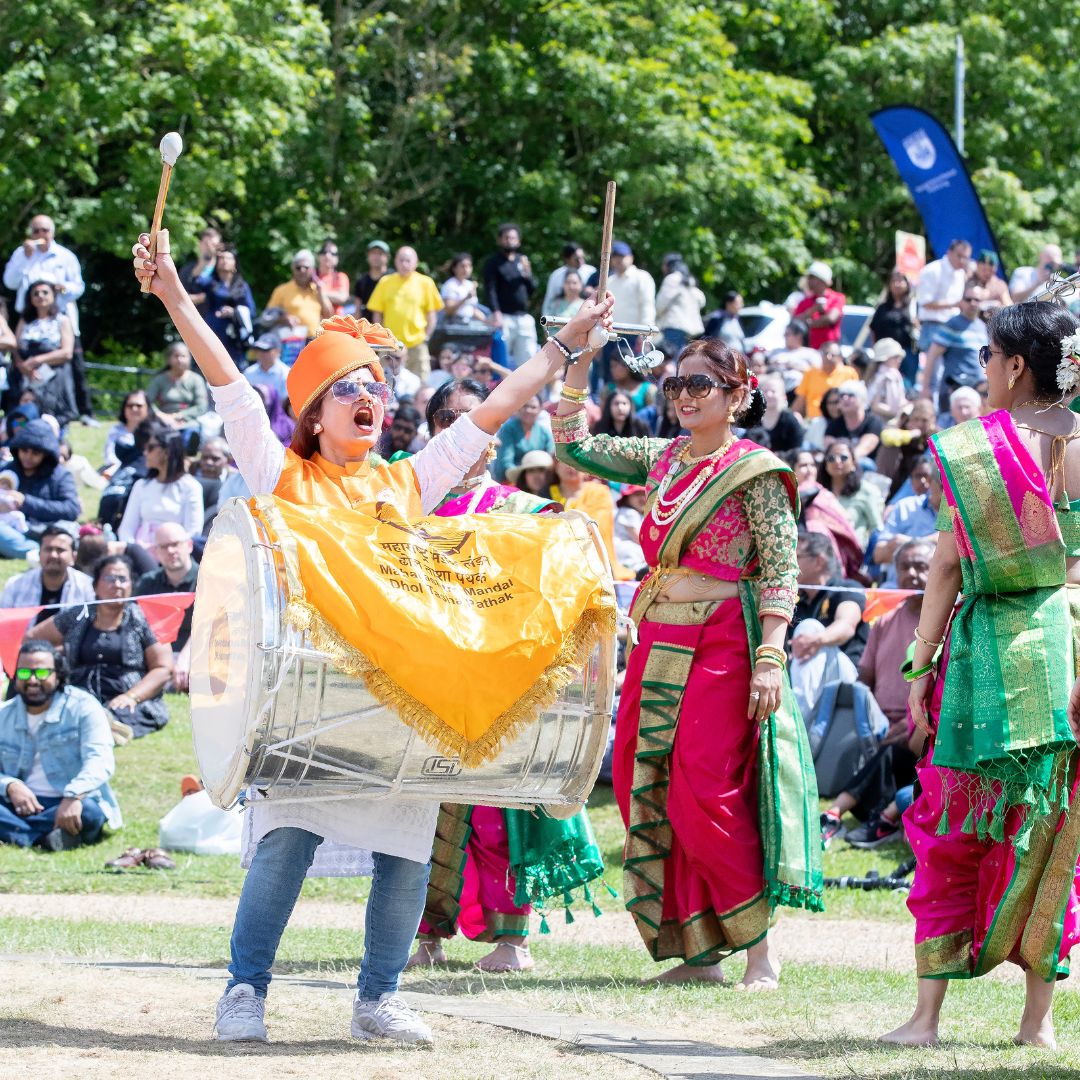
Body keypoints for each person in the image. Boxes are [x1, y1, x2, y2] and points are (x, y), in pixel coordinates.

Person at [132, 225, 614, 1045]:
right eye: (349, 391)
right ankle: (245, 992)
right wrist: (175, 293)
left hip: (399, 703)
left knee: (402, 856)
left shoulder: (404, 483)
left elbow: (494, 410)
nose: (369, 402)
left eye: (377, 391)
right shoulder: (281, 476)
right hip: (309, 702)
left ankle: (378, 999)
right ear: (315, 414)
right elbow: (229, 388)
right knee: (284, 851)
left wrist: (563, 346)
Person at [552, 336, 822, 988]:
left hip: (727, 642)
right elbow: (574, 446)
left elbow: (782, 569)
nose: (684, 396)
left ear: (738, 393)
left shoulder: (756, 472)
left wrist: (769, 658)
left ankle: (758, 950)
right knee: (641, 779)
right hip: (658, 642)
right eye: (677, 385)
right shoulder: (665, 457)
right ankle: (700, 951)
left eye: (701, 385)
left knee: (707, 786)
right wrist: (579, 358)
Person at [888, 302, 1080, 1049]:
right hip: (1065, 648)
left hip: (984, 654)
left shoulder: (970, 448)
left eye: (986, 355)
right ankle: (1038, 1027)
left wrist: (918, 667)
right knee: (1054, 832)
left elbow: (942, 568)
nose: (983, 368)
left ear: (1016, 366)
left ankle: (925, 1020)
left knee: (952, 829)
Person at [407, 378, 604, 972]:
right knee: (420, 815)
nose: (460, 429)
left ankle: (510, 940)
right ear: (433, 430)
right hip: (424, 683)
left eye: (475, 418)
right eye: (447, 417)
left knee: (501, 815)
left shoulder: (530, 516)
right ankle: (424, 937)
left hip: (504, 688)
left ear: (494, 438)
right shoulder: (406, 509)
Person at [819, 539, 932, 849]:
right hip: (878, 723)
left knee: (894, 753)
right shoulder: (884, 621)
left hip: (924, 726)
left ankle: (836, 813)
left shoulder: (945, 621)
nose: (912, 573)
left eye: (921, 566)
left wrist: (911, 723)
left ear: (936, 569)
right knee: (888, 752)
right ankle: (876, 817)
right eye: (904, 567)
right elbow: (864, 678)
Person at [35, 555, 173, 739]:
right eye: (109, 578)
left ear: (131, 585)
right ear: (95, 586)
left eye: (123, 579)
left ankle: (101, 728)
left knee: (121, 715)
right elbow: (33, 640)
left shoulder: (145, 618)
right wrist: (56, 658)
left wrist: (131, 696)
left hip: (127, 698)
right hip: (79, 693)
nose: (117, 584)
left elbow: (163, 668)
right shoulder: (79, 614)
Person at [0, 640, 118, 850]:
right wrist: (10, 785)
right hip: (19, 805)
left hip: (68, 800)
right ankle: (42, 838)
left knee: (89, 812)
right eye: (25, 673)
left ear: (58, 674)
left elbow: (100, 761)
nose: (33, 680)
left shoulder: (83, 707)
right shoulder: (4, 714)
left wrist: (73, 795)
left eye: (42, 673)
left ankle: (18, 835)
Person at [2, 214, 92, 421]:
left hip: (59, 320)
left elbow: (79, 287)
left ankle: (84, 412)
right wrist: (25, 258)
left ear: (52, 232)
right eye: (36, 231)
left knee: (75, 369)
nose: (40, 235)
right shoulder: (22, 254)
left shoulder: (65, 256)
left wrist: (63, 288)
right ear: (30, 233)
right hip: (30, 320)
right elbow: (10, 282)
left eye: (45, 230)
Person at [117, 423, 204, 548]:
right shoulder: (141, 486)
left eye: (150, 448)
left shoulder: (191, 487)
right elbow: (126, 529)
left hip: (174, 552)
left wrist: (165, 549)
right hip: (140, 551)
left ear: (167, 451)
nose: (145, 453)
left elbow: (193, 532)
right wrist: (133, 550)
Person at [368, 245, 444, 382]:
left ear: (416, 262)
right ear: (395, 261)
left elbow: (432, 315)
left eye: (408, 260)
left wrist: (426, 337)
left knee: (422, 381)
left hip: (417, 343)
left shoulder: (426, 283)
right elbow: (377, 314)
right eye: (401, 260)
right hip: (390, 344)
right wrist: (381, 338)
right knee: (383, 382)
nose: (404, 264)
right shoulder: (385, 282)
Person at [12, 281, 78, 427]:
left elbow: (67, 353)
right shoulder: (25, 320)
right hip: (26, 378)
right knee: (23, 417)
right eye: (35, 293)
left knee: (51, 419)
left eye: (45, 292)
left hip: (54, 379)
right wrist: (22, 366)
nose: (40, 296)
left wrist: (37, 360)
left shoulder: (63, 320)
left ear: (53, 295)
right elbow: (14, 347)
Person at [5, 419, 81, 543]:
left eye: (35, 453)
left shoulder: (60, 475)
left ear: (46, 454)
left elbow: (71, 509)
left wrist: (26, 502)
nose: (28, 457)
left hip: (42, 532)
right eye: (24, 450)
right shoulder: (7, 470)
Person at [135, 523, 199, 662]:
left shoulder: (208, 580)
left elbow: (210, 627)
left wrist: (184, 659)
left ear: (189, 545)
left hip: (197, 661)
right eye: (163, 546)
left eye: (175, 544)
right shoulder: (147, 583)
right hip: (156, 663)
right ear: (156, 552)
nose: (170, 550)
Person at [0, 525, 93, 619]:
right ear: (39, 554)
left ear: (73, 557)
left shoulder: (88, 588)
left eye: (60, 550)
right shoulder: (15, 585)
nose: (53, 555)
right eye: (48, 549)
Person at [871, 461, 941, 586]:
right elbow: (879, 555)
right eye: (942, 486)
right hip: (899, 587)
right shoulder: (904, 507)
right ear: (930, 481)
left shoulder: (961, 514)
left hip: (940, 588)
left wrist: (906, 543)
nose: (948, 493)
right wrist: (932, 542)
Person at [919, 287, 989, 414]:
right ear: (961, 301)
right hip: (954, 389)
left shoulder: (983, 327)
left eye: (977, 300)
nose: (972, 303)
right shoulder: (952, 324)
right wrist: (925, 387)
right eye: (968, 299)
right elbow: (931, 356)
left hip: (978, 390)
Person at [482, 224, 538, 370]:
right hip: (504, 317)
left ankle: (527, 391)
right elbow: (490, 290)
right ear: (499, 240)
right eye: (506, 238)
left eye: (513, 238)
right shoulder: (492, 263)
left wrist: (528, 273)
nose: (509, 241)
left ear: (518, 241)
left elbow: (532, 290)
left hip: (523, 318)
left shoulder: (522, 261)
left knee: (527, 359)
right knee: (501, 358)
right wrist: (496, 313)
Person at [193, 247, 256, 360]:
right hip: (214, 331)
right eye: (221, 258)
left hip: (235, 338)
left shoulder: (242, 286)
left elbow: (252, 311)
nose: (224, 260)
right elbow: (196, 280)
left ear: (235, 264)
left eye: (228, 258)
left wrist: (234, 312)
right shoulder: (210, 283)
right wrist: (209, 259)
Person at [817, 438, 882, 549]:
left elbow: (877, 529)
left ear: (854, 463)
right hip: (821, 551)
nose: (837, 461)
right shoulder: (818, 492)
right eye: (831, 458)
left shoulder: (867, 491)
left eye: (843, 457)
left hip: (854, 553)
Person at [916, 239, 971, 353]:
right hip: (933, 328)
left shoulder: (960, 273)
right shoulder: (933, 270)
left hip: (953, 329)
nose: (962, 260)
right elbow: (925, 302)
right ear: (949, 252)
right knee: (933, 370)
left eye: (965, 257)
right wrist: (956, 304)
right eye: (959, 255)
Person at [265, 250, 333, 339]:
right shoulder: (281, 290)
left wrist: (320, 292)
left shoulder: (317, 290)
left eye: (306, 267)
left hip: (314, 341)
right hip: (290, 342)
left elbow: (329, 316)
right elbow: (267, 316)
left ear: (312, 270)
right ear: (293, 268)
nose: (302, 270)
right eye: (298, 267)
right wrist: (284, 318)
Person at [869, 270, 918, 384]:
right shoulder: (882, 307)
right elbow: (874, 329)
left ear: (907, 284)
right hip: (884, 353)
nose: (897, 284)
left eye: (900, 281)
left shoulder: (913, 306)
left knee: (907, 385)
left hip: (907, 353)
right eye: (894, 281)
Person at [145, 343, 209, 430]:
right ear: (169, 359)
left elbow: (201, 407)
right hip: (163, 421)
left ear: (190, 358)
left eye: (183, 356)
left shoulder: (196, 380)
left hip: (188, 422)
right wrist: (161, 415)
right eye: (176, 356)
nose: (180, 360)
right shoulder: (159, 379)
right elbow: (147, 401)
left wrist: (179, 416)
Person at [493, 396, 554, 482]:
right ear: (518, 408)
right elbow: (506, 461)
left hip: (540, 480)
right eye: (525, 406)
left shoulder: (543, 432)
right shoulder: (509, 429)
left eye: (533, 407)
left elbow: (550, 457)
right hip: (513, 479)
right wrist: (523, 477)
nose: (528, 410)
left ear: (540, 409)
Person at [793, 342, 858, 420]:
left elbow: (856, 399)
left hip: (839, 420)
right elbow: (800, 400)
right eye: (825, 353)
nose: (828, 357)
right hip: (813, 420)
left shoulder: (849, 373)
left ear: (840, 357)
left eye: (832, 355)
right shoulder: (811, 373)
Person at [655, 253, 705, 353]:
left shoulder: (672, 279)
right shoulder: (690, 280)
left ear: (668, 265)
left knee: (671, 361)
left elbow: (660, 305)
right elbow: (702, 301)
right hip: (691, 331)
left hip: (674, 327)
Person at [824, 381, 883, 462]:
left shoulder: (873, 422)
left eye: (851, 395)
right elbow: (830, 448)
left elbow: (864, 449)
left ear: (862, 399)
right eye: (842, 395)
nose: (845, 398)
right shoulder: (834, 424)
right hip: (839, 463)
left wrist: (847, 461)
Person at [793, 262, 845, 350]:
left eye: (811, 277)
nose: (808, 281)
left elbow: (831, 318)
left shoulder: (837, 298)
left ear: (820, 280)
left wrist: (809, 323)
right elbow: (795, 323)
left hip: (829, 353)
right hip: (809, 351)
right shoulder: (805, 302)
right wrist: (814, 309)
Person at [102, 391, 150, 477]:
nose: (134, 409)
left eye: (139, 406)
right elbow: (109, 453)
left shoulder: (154, 430)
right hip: (117, 468)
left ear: (147, 408)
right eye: (130, 406)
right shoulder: (116, 430)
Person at [542, 242, 595, 316]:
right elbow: (549, 299)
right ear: (567, 259)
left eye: (582, 257)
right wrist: (546, 319)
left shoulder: (591, 272)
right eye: (577, 259)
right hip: (561, 315)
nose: (581, 261)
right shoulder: (556, 275)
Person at [190, 436, 233, 528]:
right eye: (205, 457)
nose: (208, 462)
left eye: (215, 459)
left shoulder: (233, 481)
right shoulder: (190, 473)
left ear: (228, 460)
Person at [758, 373, 804, 453]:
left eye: (773, 391)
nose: (769, 394)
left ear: (783, 395)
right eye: (765, 391)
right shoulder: (753, 420)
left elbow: (796, 450)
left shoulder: (791, 420)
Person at [866, 338, 907, 421]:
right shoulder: (890, 375)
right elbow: (891, 409)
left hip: (874, 421)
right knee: (939, 434)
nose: (899, 360)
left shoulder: (875, 374)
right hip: (885, 424)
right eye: (896, 357)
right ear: (885, 358)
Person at [242, 333, 289, 403]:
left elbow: (286, 403)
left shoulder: (286, 374)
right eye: (259, 349)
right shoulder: (248, 373)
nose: (261, 353)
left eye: (266, 350)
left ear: (277, 352)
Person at [439, 253, 484, 323]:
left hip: (468, 323)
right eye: (462, 266)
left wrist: (488, 322)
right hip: (453, 325)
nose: (466, 269)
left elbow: (473, 310)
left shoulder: (470, 285)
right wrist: (465, 298)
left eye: (469, 266)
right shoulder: (450, 285)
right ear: (454, 268)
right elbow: (448, 311)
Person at [354, 240, 390, 321]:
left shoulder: (393, 278)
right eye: (373, 253)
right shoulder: (361, 281)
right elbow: (357, 310)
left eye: (380, 253)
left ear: (387, 257)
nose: (376, 257)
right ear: (368, 256)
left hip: (390, 329)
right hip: (367, 329)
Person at [970, 250, 1012, 317]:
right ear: (977, 265)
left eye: (990, 271)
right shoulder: (969, 279)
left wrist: (997, 308)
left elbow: (1009, 307)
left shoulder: (999, 285)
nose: (987, 273)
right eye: (984, 269)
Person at [316, 240, 350, 315]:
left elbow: (342, 298)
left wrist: (320, 293)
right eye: (324, 252)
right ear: (318, 256)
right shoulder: (312, 276)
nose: (328, 255)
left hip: (335, 323)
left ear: (337, 259)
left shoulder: (341, 277)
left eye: (333, 253)